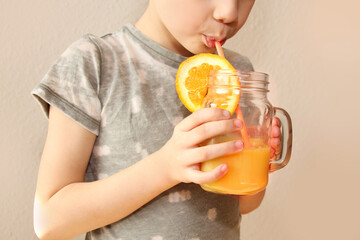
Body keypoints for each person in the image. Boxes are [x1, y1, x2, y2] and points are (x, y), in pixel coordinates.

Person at [32, 0, 281, 239]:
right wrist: (165, 167)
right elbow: (49, 221)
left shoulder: (234, 73)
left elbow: (245, 204)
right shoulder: (94, 63)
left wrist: (259, 165)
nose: (229, 12)